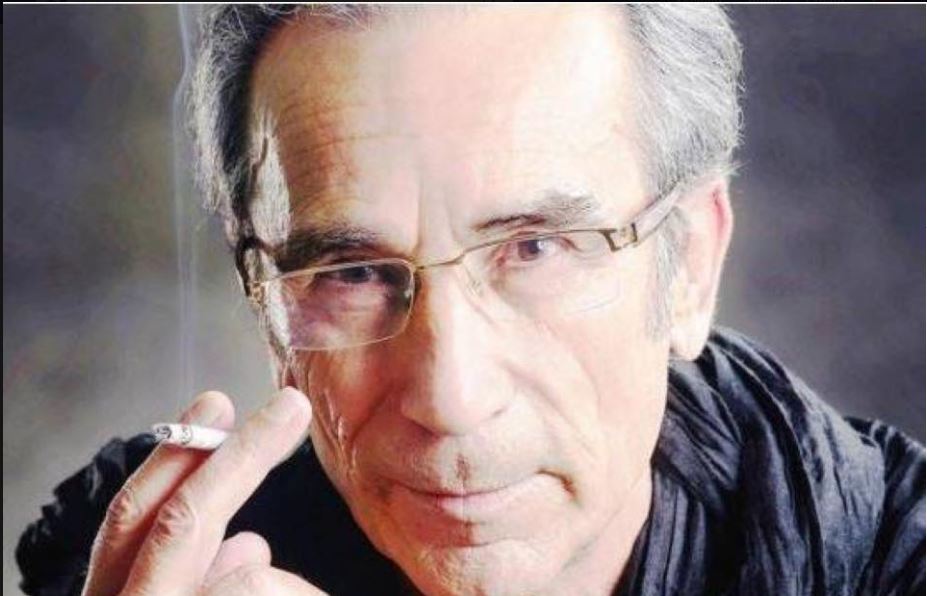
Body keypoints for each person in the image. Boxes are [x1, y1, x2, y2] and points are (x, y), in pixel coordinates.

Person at [16, 4, 924, 595]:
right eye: (352, 271)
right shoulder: (135, 567)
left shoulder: (894, 559)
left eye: (535, 248)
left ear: (687, 265)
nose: (449, 399)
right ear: (265, 307)